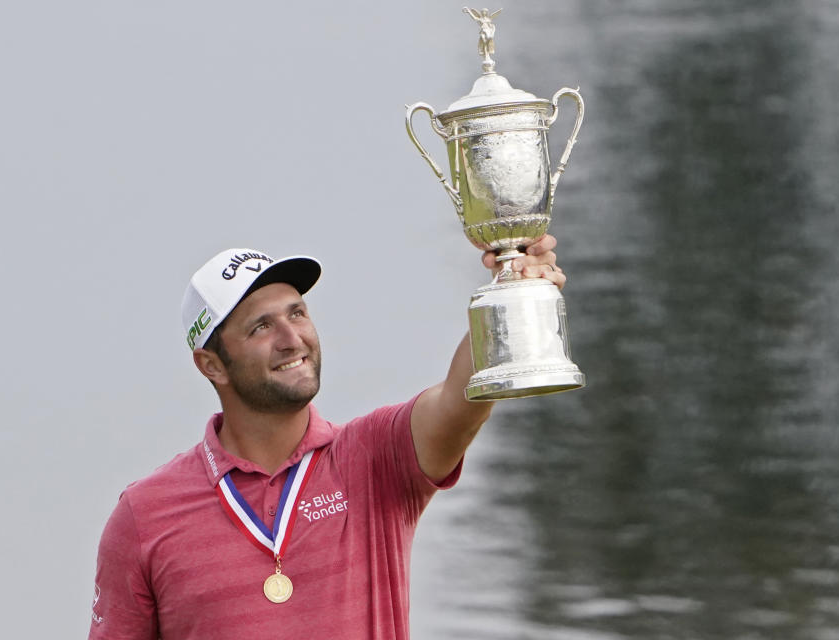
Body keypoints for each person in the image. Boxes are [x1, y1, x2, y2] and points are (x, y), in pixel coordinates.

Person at [88, 236, 565, 639]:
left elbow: (462, 401)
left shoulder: (375, 457)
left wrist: (513, 292)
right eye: (261, 326)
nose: (292, 338)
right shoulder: (145, 515)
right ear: (212, 365)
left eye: (297, 313)